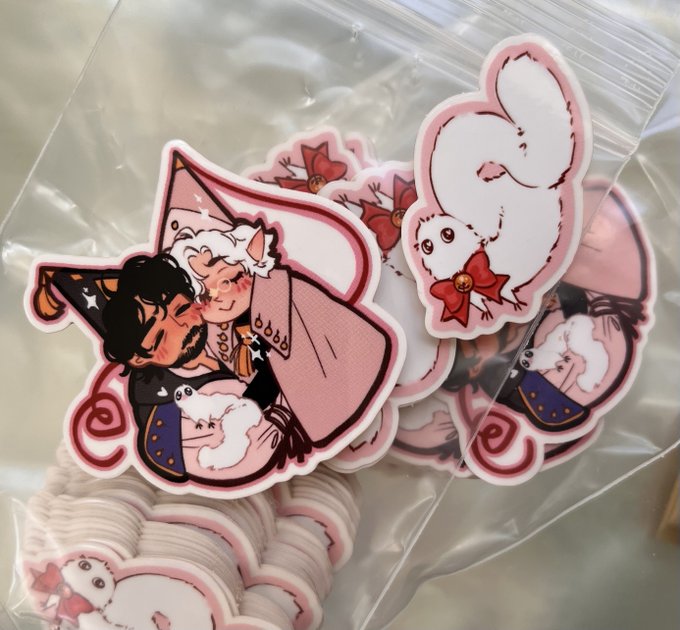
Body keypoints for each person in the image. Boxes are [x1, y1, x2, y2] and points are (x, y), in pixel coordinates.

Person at [168, 218, 393, 447]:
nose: (221, 300)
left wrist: (246, 406)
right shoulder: (234, 330)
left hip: (354, 390)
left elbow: (279, 370)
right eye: (205, 298)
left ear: (251, 262)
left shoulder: (282, 300)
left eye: (229, 281)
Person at [100, 253, 306, 483]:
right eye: (160, 336)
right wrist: (280, 411)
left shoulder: (227, 326)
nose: (181, 327)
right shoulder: (167, 413)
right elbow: (249, 453)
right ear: (138, 358)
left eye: (181, 309)